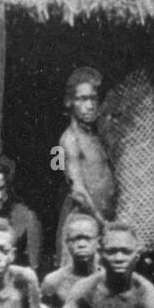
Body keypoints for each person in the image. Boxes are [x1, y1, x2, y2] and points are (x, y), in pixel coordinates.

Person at [57, 67, 117, 262]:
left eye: (93, 99)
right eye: (82, 100)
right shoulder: (70, 139)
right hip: (83, 223)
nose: (90, 106)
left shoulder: (95, 137)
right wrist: (102, 222)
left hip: (102, 222)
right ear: (69, 102)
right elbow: (78, 192)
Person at [40, 212, 102, 308]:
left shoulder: (109, 278)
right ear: (67, 243)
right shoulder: (53, 282)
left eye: (87, 238)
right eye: (76, 239)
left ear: (98, 242)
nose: (81, 244)